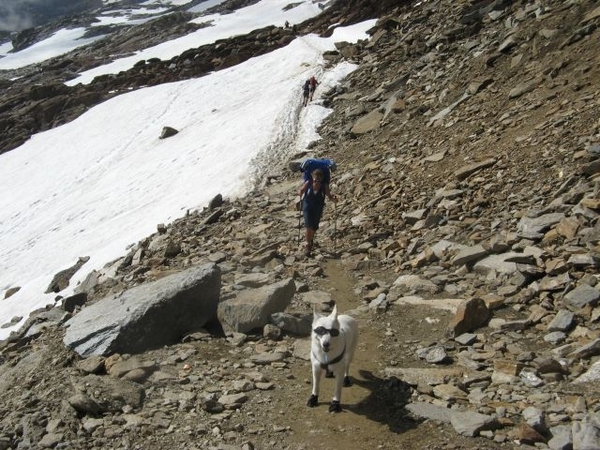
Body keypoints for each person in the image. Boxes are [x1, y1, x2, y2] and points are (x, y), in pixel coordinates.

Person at [298, 168, 336, 256]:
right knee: (309, 225)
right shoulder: (308, 183)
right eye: (315, 179)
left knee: (314, 227)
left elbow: (329, 196)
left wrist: (334, 200)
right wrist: (300, 192)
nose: (317, 181)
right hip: (307, 206)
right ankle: (307, 245)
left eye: (319, 179)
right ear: (312, 177)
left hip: (318, 207)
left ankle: (310, 239)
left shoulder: (324, 186)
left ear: (322, 179)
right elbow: (301, 190)